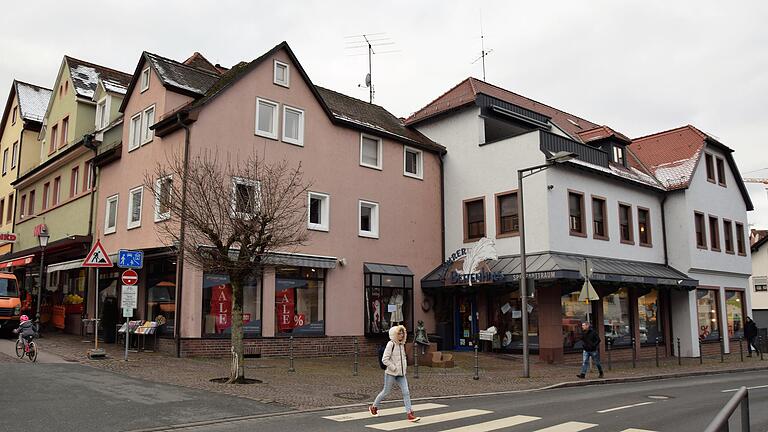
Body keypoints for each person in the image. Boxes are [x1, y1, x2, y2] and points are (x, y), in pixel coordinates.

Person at [369, 325, 420, 422]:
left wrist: (403, 369)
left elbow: (403, 358)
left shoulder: (402, 345)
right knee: (386, 392)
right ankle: (374, 407)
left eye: (402, 333)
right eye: (399, 333)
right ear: (394, 334)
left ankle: (409, 413)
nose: (401, 335)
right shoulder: (390, 344)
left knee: (406, 392)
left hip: (401, 374)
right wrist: (394, 367)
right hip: (391, 373)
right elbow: (385, 359)